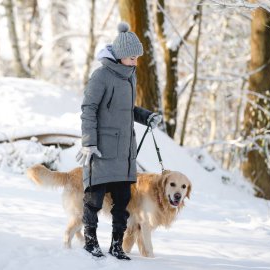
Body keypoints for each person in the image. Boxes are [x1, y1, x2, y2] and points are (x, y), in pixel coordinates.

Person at [76, 22, 162, 260]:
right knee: (93, 199)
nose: (135, 62)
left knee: (123, 202)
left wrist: (146, 116)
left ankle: (116, 245)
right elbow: (88, 109)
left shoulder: (130, 77)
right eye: (132, 58)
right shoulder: (101, 75)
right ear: (120, 55)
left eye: (137, 58)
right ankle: (90, 242)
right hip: (101, 150)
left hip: (124, 152)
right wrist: (89, 142)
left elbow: (127, 110)